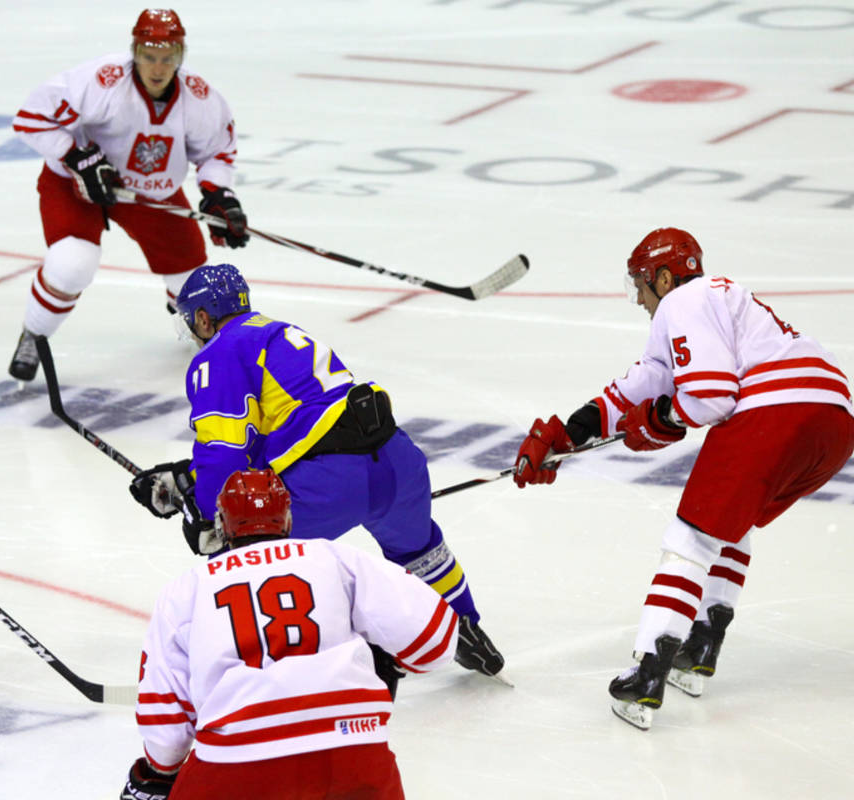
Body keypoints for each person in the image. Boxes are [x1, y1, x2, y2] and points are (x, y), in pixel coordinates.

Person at [512, 227, 854, 731]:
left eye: (641, 285)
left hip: (777, 411)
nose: (639, 300)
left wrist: (662, 418)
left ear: (664, 278)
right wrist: (570, 432)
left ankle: (647, 673)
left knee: (690, 538)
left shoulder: (684, 302)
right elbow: (645, 381)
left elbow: (711, 397)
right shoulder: (711, 305)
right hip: (834, 422)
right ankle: (699, 649)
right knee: (730, 525)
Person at [128, 263, 505, 679]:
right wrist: (187, 480)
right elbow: (278, 437)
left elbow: (225, 454)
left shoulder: (220, 353)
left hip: (328, 482)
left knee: (243, 549)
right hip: (397, 462)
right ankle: (466, 628)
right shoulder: (279, 332)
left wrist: (206, 514)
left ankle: (250, 661)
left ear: (203, 317)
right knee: (420, 551)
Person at [120, 468, 462, 800]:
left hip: (240, 762)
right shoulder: (334, 557)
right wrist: (385, 662)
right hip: (355, 751)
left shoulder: (186, 590)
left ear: (222, 525)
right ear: (287, 520)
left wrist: (156, 772)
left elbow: (165, 733)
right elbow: (436, 640)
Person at [6, 8, 249, 382]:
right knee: (72, 263)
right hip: (78, 186)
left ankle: (190, 321)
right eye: (149, 57)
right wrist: (75, 156)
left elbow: (217, 151)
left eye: (167, 58)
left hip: (149, 192)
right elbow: (31, 118)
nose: (158, 68)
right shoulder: (101, 81)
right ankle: (34, 334)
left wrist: (219, 195)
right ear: (134, 52)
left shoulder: (198, 98)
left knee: (191, 280)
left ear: (180, 56)